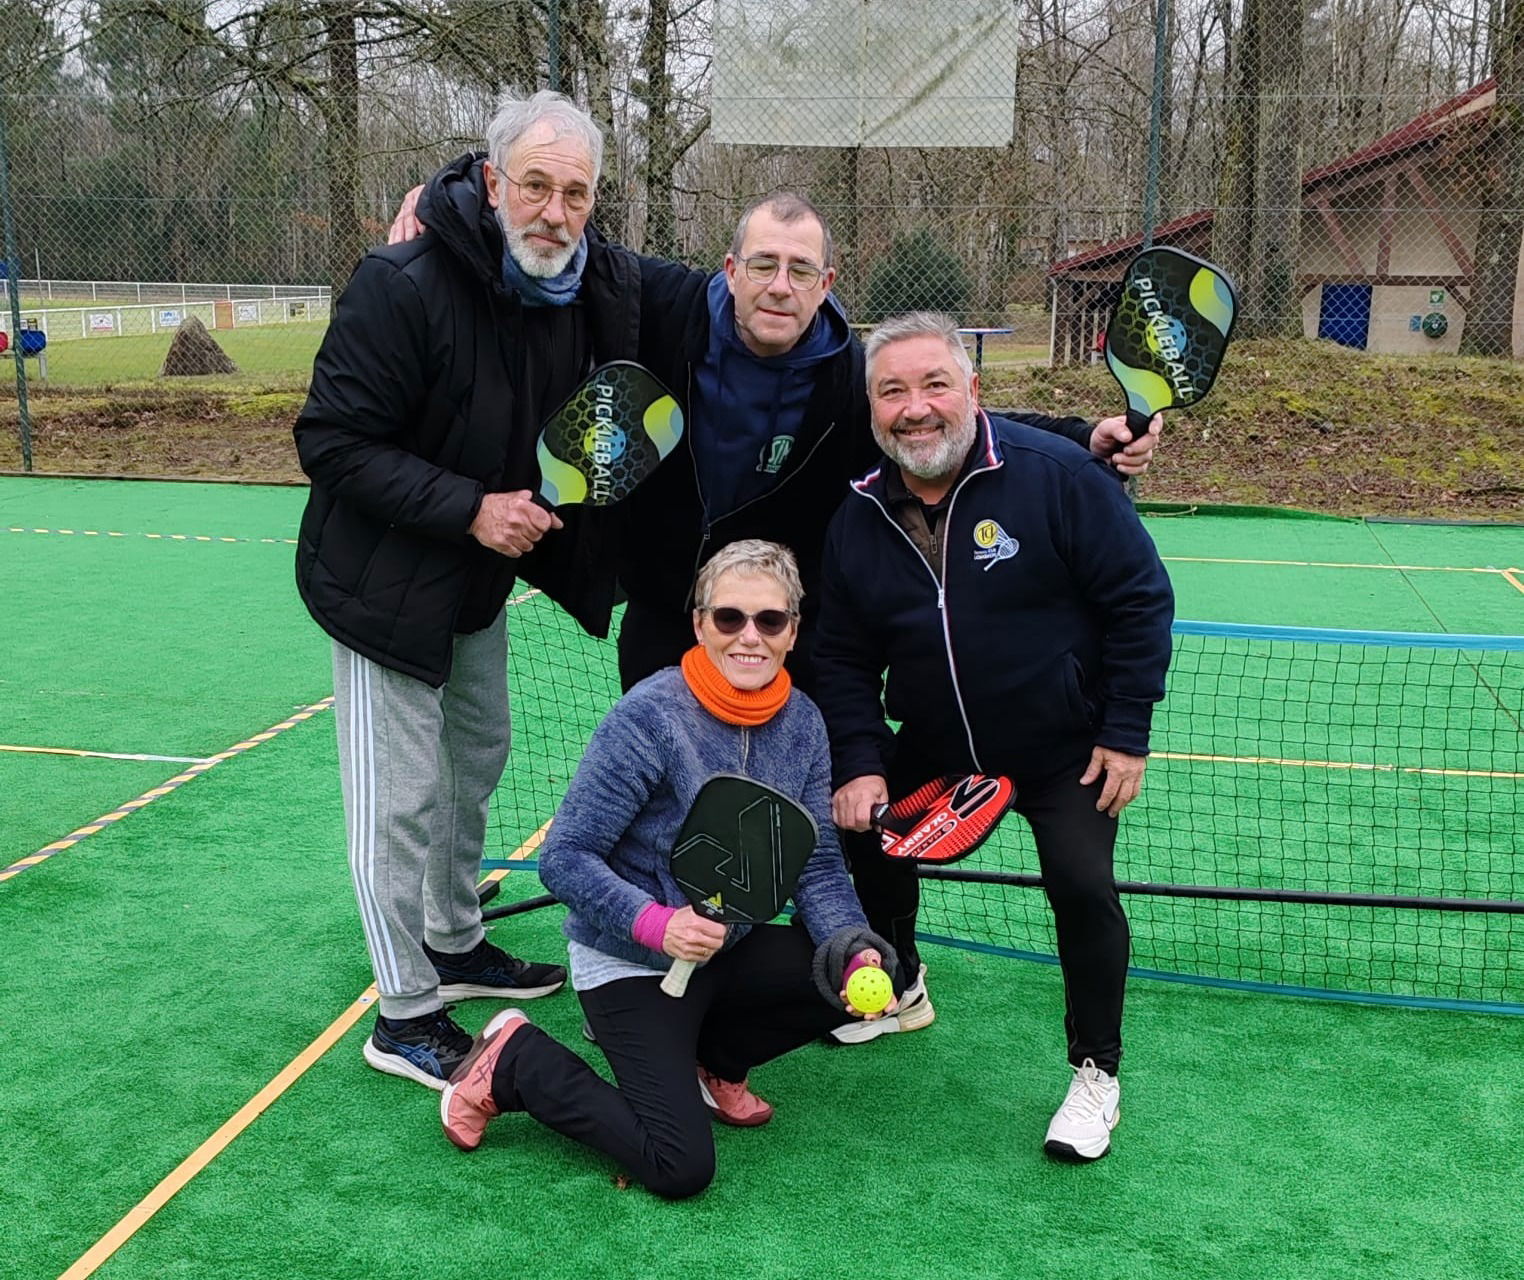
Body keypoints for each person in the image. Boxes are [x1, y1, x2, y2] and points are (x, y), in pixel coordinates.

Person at [386, 185, 1164, 699]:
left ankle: (831, 942)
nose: (779, 285)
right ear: (731, 270)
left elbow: (946, 418)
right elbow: (553, 226)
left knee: (820, 790)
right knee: (663, 785)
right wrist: (450, 200)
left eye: (799, 270)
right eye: (762, 265)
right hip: (668, 607)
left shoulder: (852, 385)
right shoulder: (660, 303)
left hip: (794, 621)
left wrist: (1080, 434)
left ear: (826, 284)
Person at [294, 90, 650, 1089]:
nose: (554, 209)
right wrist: (472, 508)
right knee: (397, 801)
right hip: (381, 588)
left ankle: (454, 936)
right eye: (534, 184)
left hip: (474, 587)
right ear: (493, 184)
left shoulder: (576, 289)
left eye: (575, 192)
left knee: (477, 755)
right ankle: (405, 1011)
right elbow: (330, 441)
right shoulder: (398, 283)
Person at [813, 312, 1175, 1162]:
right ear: (871, 409)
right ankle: (899, 983)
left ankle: (1096, 1073)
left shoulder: (1059, 476)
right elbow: (840, 656)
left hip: (1065, 748)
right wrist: (862, 762)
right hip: (937, 742)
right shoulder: (857, 515)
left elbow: (1139, 599)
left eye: (935, 384)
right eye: (892, 391)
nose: (916, 408)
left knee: (1082, 886)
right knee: (862, 831)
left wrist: (1125, 733)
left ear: (972, 390)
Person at [437, 540, 899, 1198]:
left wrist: (855, 952)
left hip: (723, 950)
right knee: (680, 1166)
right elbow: (564, 858)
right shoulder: (650, 718)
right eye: (728, 618)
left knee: (860, 965)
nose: (749, 637)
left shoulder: (803, 724)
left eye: (770, 621)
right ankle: (515, 1062)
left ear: (793, 631)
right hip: (629, 957)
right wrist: (656, 925)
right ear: (699, 623)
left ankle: (719, 1061)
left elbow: (819, 864)